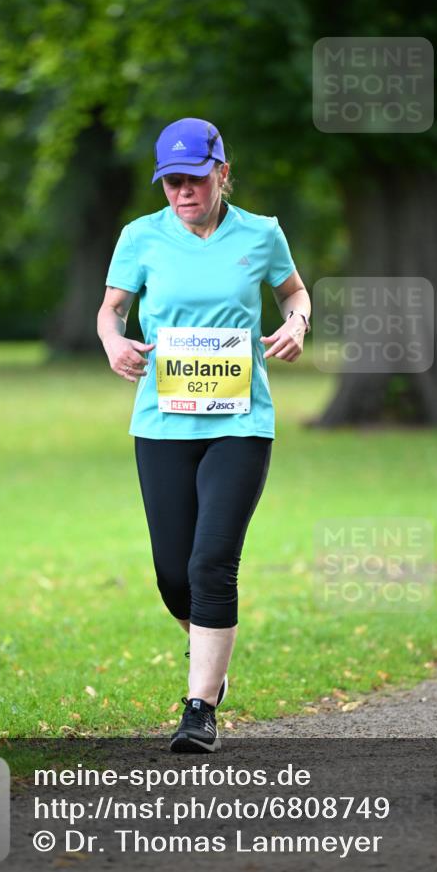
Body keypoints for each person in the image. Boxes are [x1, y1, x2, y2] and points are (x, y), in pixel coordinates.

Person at [97, 117, 311, 753]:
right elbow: (111, 309)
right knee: (173, 576)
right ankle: (209, 643)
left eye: (193, 178)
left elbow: (295, 294)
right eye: (170, 182)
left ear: (222, 170)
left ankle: (199, 709)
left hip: (241, 421)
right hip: (162, 422)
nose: (182, 192)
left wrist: (298, 323)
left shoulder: (262, 234)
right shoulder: (141, 237)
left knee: (211, 562)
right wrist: (113, 341)